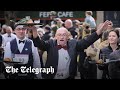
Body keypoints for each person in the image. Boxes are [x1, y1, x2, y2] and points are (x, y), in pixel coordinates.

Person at [32, 20, 111, 79]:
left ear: (68, 37)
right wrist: (34, 31)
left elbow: (87, 41)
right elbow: (39, 44)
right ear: (55, 37)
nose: (62, 37)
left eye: (64, 35)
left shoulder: (73, 43)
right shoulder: (50, 44)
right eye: (59, 35)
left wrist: (99, 31)